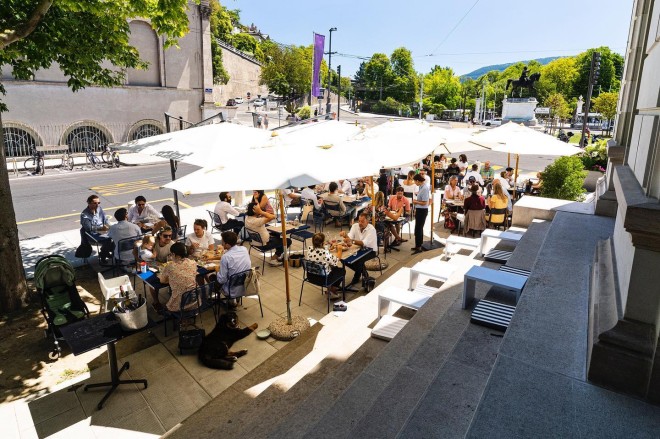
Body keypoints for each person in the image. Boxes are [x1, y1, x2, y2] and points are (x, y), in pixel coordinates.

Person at [244, 201, 291, 266]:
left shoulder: (247, 218)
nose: (260, 209)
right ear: (255, 211)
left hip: (254, 242)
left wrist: (260, 213)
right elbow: (273, 217)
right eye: (259, 208)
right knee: (287, 241)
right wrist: (261, 212)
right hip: (264, 245)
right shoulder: (257, 221)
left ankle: (277, 255)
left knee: (277, 236)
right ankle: (274, 258)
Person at [159, 242, 200, 312]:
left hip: (179, 305)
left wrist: (171, 278)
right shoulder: (192, 262)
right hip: (195, 301)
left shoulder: (170, 266)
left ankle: (182, 318)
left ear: (174, 254)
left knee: (170, 303)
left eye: (171, 254)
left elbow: (162, 281)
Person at [339, 212, 378, 287]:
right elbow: (350, 237)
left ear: (368, 221)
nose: (360, 223)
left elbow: (364, 243)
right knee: (343, 259)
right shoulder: (355, 226)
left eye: (362, 221)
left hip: (370, 250)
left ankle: (356, 277)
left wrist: (352, 241)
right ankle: (363, 273)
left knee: (359, 261)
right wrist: (345, 235)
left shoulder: (371, 229)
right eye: (359, 221)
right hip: (358, 248)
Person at [215, 231, 252, 306]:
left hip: (231, 289)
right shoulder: (244, 249)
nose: (222, 243)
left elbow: (222, 279)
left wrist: (217, 271)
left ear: (227, 245)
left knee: (213, 279)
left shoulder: (226, 257)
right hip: (246, 285)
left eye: (223, 242)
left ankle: (226, 300)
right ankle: (235, 300)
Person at [305, 232, 345, 299]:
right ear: (322, 243)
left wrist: (328, 249)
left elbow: (319, 252)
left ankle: (331, 288)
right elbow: (336, 261)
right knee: (341, 270)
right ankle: (332, 290)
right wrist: (340, 250)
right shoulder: (325, 253)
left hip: (311, 276)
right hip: (323, 279)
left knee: (333, 268)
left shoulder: (309, 249)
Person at [411, 173, 430, 254]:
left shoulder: (424, 188)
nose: (414, 183)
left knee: (419, 229)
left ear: (418, 181)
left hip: (422, 211)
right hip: (419, 210)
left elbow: (425, 202)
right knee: (418, 228)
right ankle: (418, 245)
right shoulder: (421, 187)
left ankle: (419, 247)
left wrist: (415, 201)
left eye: (415, 181)